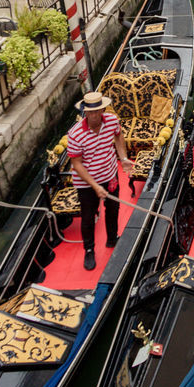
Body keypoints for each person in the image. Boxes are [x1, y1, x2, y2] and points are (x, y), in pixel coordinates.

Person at [66, 90, 132, 270]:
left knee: (113, 208)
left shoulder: (111, 120)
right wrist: (95, 187)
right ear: (85, 112)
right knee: (88, 217)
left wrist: (123, 158)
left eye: (97, 111)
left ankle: (112, 239)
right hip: (86, 183)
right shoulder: (75, 134)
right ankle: (89, 250)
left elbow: (118, 136)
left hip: (110, 175)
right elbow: (77, 165)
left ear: (103, 109)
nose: (94, 115)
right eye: (90, 112)